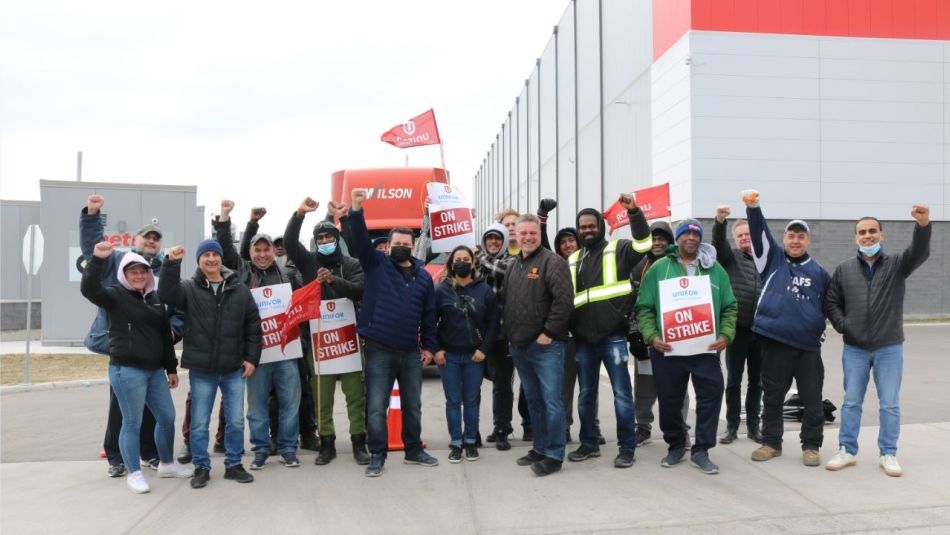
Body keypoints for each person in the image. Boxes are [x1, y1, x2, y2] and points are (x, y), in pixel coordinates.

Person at [79, 194, 182, 477]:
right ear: (135, 241)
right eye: (146, 237)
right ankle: (116, 456)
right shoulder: (117, 261)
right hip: (124, 349)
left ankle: (148, 452)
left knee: (154, 409)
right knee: (121, 409)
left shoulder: (164, 270)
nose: (151, 241)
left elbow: (177, 308)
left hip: (153, 351)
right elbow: (92, 250)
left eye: (155, 239)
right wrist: (92, 213)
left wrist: (172, 333)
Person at [824, 205, 931, 477]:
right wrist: (844, 325)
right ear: (855, 238)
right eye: (862, 232)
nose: (867, 236)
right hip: (855, 349)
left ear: (881, 235)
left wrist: (922, 225)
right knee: (851, 402)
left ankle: (888, 453)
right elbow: (832, 301)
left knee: (890, 403)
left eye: (873, 231)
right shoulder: (844, 269)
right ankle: (847, 450)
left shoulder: (896, 265)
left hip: (889, 347)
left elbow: (919, 253)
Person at [346, 188, 439, 477]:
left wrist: (429, 347)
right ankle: (377, 454)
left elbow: (429, 316)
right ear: (388, 246)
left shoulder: (424, 277)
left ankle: (413, 449)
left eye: (406, 243)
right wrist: (357, 209)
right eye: (396, 243)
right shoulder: (376, 265)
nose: (401, 247)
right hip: (379, 349)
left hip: (411, 351)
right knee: (376, 407)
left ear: (413, 246)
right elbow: (359, 240)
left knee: (413, 406)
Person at [636, 218, 737, 475]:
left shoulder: (715, 270)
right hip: (668, 350)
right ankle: (676, 445)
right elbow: (644, 307)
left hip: (705, 348)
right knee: (669, 401)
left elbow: (729, 307)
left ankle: (702, 450)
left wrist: (725, 334)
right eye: (686, 234)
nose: (691, 238)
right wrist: (651, 335)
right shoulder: (659, 268)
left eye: (696, 234)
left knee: (711, 395)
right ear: (677, 238)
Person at [158, 240, 262, 488]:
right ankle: (201, 467)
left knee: (235, 420)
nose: (212, 259)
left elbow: (253, 327)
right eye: (206, 254)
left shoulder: (240, 289)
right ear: (198, 260)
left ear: (221, 259)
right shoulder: (188, 288)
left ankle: (234, 464)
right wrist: (171, 264)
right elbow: (166, 294)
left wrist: (251, 358)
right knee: (200, 422)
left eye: (215, 254)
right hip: (202, 370)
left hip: (233, 368)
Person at [742, 190, 831, 468]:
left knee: (813, 399)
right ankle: (771, 443)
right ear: (784, 240)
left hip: (807, 347)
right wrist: (754, 208)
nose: (795, 240)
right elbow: (760, 234)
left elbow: (830, 306)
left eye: (800, 236)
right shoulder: (772, 261)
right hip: (775, 342)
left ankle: (812, 446)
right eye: (791, 236)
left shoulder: (819, 273)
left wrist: (823, 327)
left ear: (808, 240)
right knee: (772, 396)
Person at [215, 200, 303, 470]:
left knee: (290, 403)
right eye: (258, 249)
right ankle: (261, 449)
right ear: (251, 252)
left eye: (267, 250)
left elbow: (300, 302)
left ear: (274, 252)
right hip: (255, 354)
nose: (263, 254)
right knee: (256, 407)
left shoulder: (287, 274)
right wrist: (226, 218)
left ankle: (288, 449)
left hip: (286, 351)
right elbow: (227, 252)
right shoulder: (241, 272)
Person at [567, 194, 652, 469]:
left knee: (622, 395)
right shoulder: (573, 259)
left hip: (613, 337)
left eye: (591, 226)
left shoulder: (619, 249)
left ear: (600, 227)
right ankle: (589, 443)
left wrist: (635, 212)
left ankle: (627, 447)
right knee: (585, 396)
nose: (587, 230)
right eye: (583, 227)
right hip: (583, 341)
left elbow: (644, 244)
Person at [286, 198, 369, 466]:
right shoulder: (308, 263)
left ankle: (359, 443)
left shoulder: (352, 263)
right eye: (320, 238)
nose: (324, 241)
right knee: (322, 399)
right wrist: (299, 214)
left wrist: (334, 280)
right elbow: (289, 242)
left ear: (336, 238)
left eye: (328, 237)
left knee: (356, 397)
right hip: (320, 342)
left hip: (349, 342)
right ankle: (327, 444)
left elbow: (359, 290)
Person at [502, 214, 573, 476]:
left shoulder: (552, 262)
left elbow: (564, 302)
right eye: (523, 234)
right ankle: (540, 447)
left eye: (533, 233)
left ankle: (554, 454)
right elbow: (508, 303)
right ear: (517, 236)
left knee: (552, 401)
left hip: (545, 346)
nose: (528, 237)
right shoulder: (513, 265)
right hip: (519, 346)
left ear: (539, 235)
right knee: (534, 400)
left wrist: (549, 332)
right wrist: (509, 335)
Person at [434, 246, 500, 463]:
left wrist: (484, 349)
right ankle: (456, 442)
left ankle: (470, 440)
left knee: (471, 401)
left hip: (474, 357)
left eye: (466, 259)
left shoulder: (485, 291)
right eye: (457, 259)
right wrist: (436, 349)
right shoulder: (441, 290)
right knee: (453, 401)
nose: (462, 262)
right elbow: (429, 322)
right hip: (449, 357)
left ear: (473, 263)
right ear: (451, 264)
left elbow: (493, 324)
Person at [629, 221, 691, 447]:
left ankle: (682, 429)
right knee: (644, 385)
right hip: (648, 337)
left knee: (678, 387)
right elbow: (632, 302)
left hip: (678, 337)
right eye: (654, 238)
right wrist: (635, 334)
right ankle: (643, 426)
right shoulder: (638, 266)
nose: (657, 242)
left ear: (670, 241)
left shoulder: (680, 265)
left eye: (662, 238)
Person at [474, 220, 529, 449]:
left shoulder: (513, 261)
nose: (493, 242)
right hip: (477, 334)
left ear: (505, 241)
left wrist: (481, 257)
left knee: (502, 384)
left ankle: (502, 429)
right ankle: (471, 432)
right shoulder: (474, 264)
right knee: (473, 385)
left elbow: (503, 272)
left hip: (503, 334)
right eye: (489, 239)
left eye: (498, 238)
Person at [712, 205, 763, 444]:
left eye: (748, 234)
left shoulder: (766, 260)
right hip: (737, 330)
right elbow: (718, 243)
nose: (744, 238)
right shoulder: (730, 257)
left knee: (757, 382)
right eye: (740, 235)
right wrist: (720, 221)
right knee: (734, 381)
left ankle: (754, 426)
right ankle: (732, 427)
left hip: (762, 332)